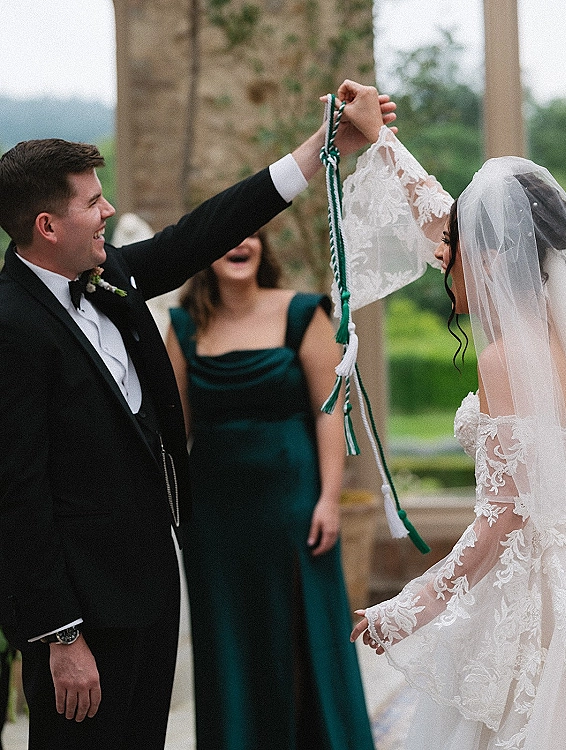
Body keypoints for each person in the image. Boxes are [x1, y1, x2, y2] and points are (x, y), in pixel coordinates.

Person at [0, 82, 396, 750]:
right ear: (47, 226)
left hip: (153, 595)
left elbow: (203, 231)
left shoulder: (111, 279)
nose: (110, 210)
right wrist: (59, 637)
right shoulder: (11, 326)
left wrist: (322, 146)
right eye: (94, 201)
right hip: (83, 622)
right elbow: (16, 495)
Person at [340, 79, 566, 749]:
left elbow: (503, 517)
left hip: (530, 600)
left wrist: (408, 606)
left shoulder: (506, 358)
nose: (441, 262)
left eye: (454, 251)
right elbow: (441, 218)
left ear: (492, 254)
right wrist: (383, 141)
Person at [166, 227, 376, 750]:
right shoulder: (185, 326)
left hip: (296, 506)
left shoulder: (304, 312)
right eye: (223, 237)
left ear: (263, 246)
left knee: (306, 637)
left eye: (250, 236)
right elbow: (174, 432)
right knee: (231, 643)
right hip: (214, 519)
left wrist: (329, 497)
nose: (238, 246)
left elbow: (331, 412)